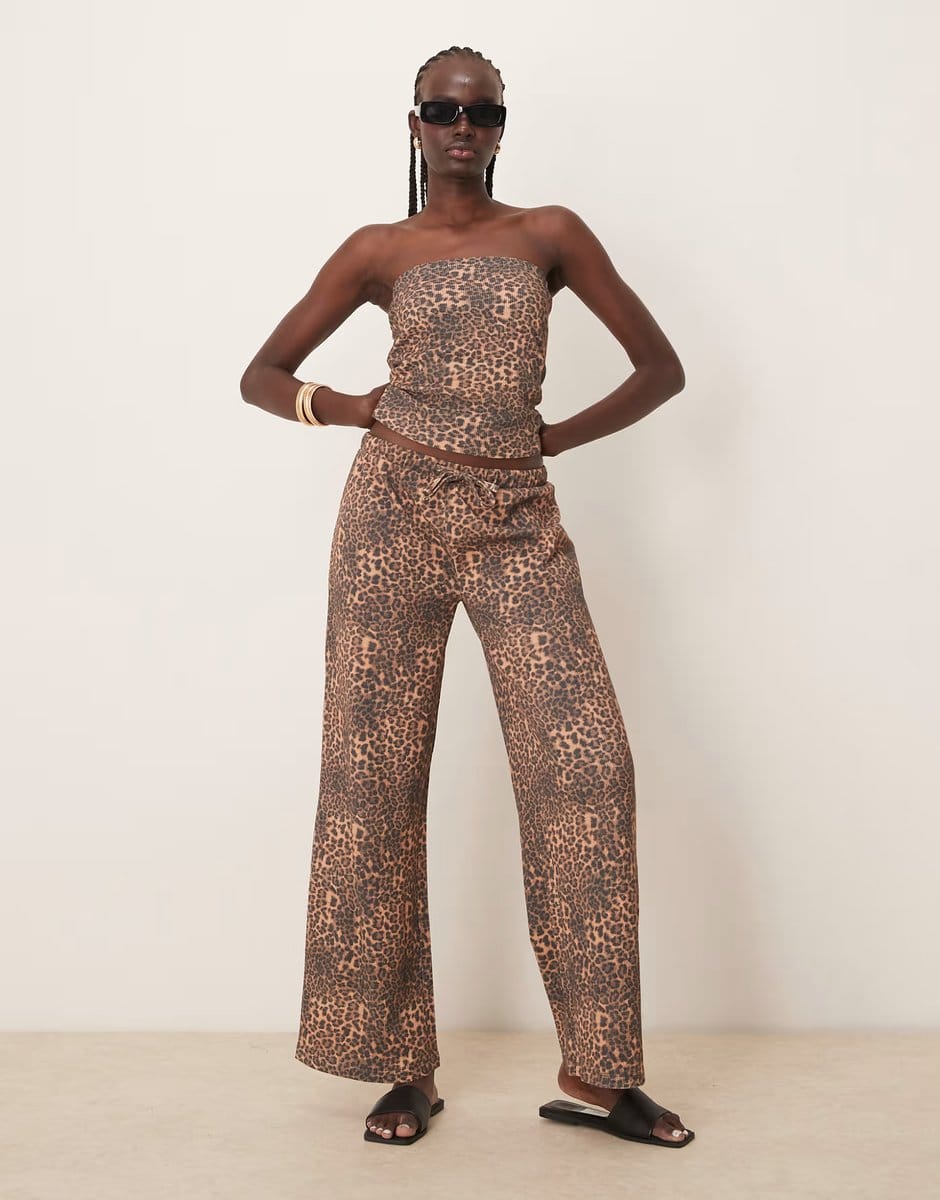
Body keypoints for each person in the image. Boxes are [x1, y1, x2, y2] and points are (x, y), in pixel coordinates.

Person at [240, 44, 694, 1150]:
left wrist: (549, 439)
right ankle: (400, 1067)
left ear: (500, 128)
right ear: (414, 124)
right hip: (390, 514)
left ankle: (600, 1072)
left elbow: (659, 369)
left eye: (481, 113)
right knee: (374, 780)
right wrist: (346, 407)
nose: (462, 129)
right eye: (443, 112)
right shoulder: (376, 249)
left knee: (587, 768)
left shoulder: (549, 233)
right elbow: (260, 374)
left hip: (515, 521)